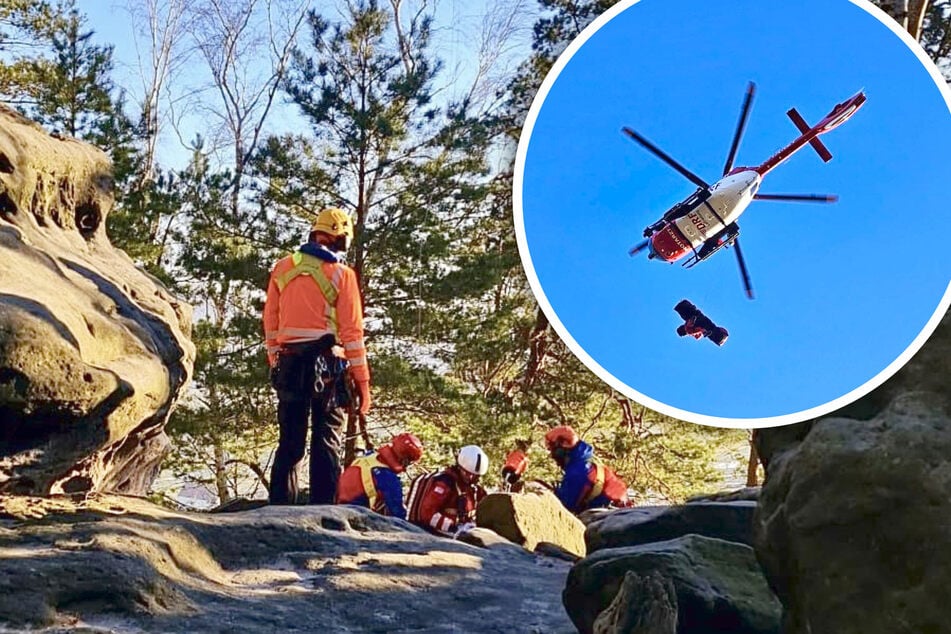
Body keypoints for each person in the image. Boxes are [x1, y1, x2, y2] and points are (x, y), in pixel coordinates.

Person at [263, 207, 372, 505]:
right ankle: (324, 514)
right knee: (327, 442)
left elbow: (270, 322)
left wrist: (276, 359)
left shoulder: (283, 268)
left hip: (289, 363)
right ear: (340, 237)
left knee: (290, 444)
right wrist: (363, 383)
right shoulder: (342, 275)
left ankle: (279, 510)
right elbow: (352, 333)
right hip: (328, 365)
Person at [336, 433, 424, 519]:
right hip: (355, 514)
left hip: (335, 505)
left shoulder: (369, 456)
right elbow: (398, 513)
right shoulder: (389, 479)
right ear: (404, 460)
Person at [544, 426, 630, 513]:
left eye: (553, 449)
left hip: (610, 513)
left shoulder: (578, 470)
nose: (552, 455)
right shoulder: (587, 460)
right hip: (620, 508)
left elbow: (566, 505)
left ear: (564, 445)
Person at [407, 445, 488, 537]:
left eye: (475, 475)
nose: (470, 477)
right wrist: (453, 527)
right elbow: (427, 513)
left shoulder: (475, 490)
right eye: (467, 473)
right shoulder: (445, 483)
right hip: (433, 533)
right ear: (460, 467)